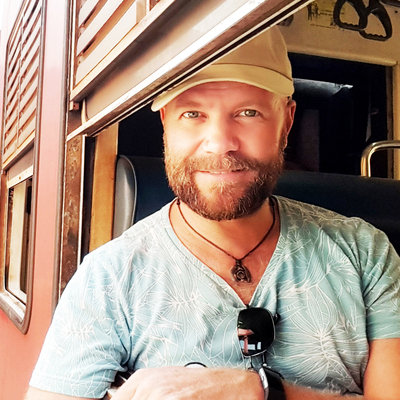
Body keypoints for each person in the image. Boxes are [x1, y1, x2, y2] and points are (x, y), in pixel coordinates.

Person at [26, 26, 400, 400]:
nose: (220, 143)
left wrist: (260, 392)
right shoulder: (108, 278)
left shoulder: (364, 252)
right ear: (166, 123)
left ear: (286, 123)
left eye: (249, 112)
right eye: (193, 113)